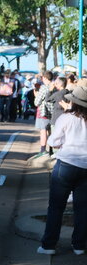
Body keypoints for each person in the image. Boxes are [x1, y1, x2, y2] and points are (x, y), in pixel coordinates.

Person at [39, 85, 87, 255]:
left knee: (56, 207)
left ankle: (49, 245)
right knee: (82, 209)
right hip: (85, 167)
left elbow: (53, 141)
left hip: (66, 164)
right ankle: (79, 245)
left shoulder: (67, 118)